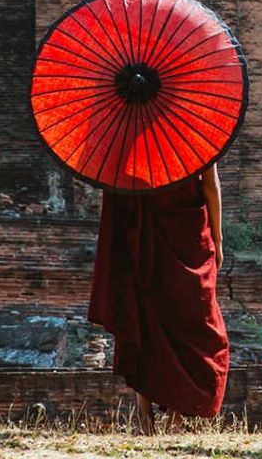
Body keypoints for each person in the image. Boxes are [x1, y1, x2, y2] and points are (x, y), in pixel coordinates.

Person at [88, 163, 229, 433]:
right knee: (188, 322)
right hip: (188, 236)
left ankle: (145, 417)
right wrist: (218, 239)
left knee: (145, 320)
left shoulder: (126, 141)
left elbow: (116, 192)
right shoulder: (191, 134)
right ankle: (174, 417)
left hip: (140, 244)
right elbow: (211, 185)